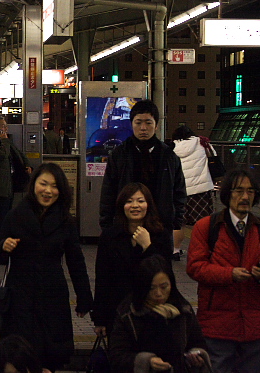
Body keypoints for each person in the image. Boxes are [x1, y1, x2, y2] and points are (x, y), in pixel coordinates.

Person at [0, 162, 92, 372]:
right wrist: (4, 247)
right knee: (18, 355)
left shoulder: (66, 221)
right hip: (19, 296)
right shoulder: (15, 215)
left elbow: (76, 261)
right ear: (33, 185)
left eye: (54, 186)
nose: (48, 191)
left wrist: (84, 298)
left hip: (52, 296)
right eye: (43, 184)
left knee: (49, 357)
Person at [186, 169, 260, 373]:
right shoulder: (207, 226)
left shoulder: (257, 228)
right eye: (239, 191)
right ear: (227, 194)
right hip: (217, 327)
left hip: (254, 328)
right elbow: (195, 267)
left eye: (250, 191)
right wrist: (229, 274)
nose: (245, 197)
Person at [99, 99, 186, 255]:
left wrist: (175, 221)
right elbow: (108, 190)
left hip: (160, 226)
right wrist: (107, 224)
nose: (143, 128)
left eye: (148, 123)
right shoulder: (120, 154)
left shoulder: (168, 156)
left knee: (158, 267)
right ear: (131, 124)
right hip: (125, 226)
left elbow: (179, 191)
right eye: (138, 123)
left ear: (156, 125)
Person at [92, 182, 171, 339]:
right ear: (122, 206)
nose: (135, 205)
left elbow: (165, 273)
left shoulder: (160, 234)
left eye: (140, 201)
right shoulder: (110, 236)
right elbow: (102, 279)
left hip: (152, 311)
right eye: (129, 201)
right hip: (118, 312)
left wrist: (148, 246)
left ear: (148, 205)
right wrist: (99, 319)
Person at [109, 254, 211, 373]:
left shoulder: (183, 310)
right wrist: (147, 361)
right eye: (152, 288)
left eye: (164, 287)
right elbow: (117, 356)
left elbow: (197, 342)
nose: (158, 293)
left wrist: (196, 356)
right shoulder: (129, 313)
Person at [0, 116, 31, 246]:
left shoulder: (6, 141)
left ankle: (4, 240)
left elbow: (18, 153)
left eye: (6, 126)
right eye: (2, 126)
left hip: (9, 184)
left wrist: (27, 164)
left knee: (6, 214)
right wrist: (4, 140)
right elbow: (3, 154)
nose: (5, 128)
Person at [171, 125, 215, 261]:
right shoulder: (202, 143)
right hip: (201, 190)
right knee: (203, 223)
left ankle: (175, 251)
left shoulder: (172, 148)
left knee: (179, 223)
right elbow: (213, 156)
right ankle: (204, 251)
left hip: (180, 191)